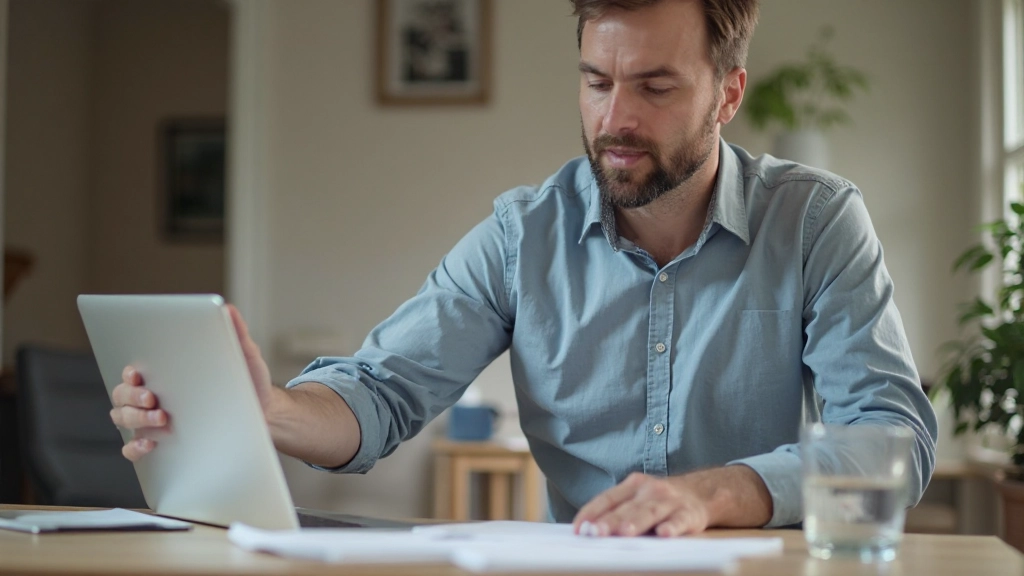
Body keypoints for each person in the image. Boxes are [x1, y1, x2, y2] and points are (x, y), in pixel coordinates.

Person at [109, 0, 937, 538]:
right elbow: (383, 392)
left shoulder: (817, 221)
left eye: (654, 87)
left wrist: (711, 495)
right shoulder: (521, 236)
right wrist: (270, 412)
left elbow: (890, 441)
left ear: (728, 95)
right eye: (596, 81)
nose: (615, 118)